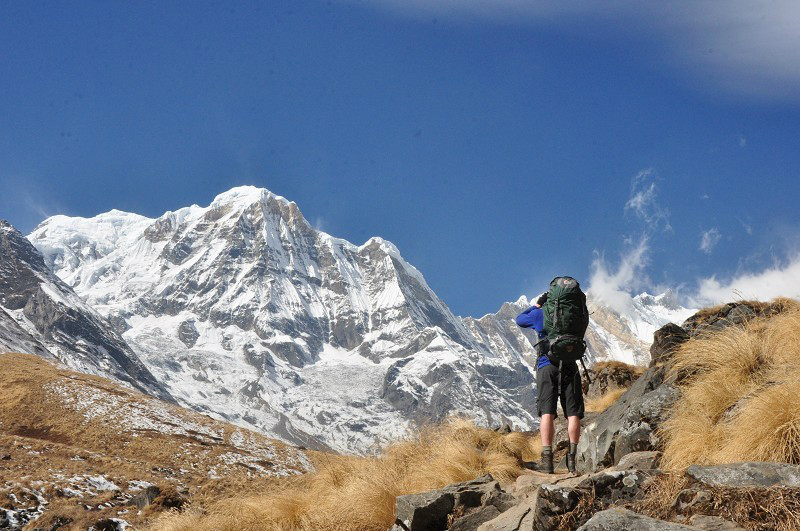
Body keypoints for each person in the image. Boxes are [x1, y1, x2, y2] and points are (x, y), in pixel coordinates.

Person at [516, 292, 584, 474]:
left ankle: (547, 462)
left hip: (547, 364)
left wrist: (537, 306)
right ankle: (572, 462)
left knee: (547, 411)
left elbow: (520, 320)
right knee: (573, 413)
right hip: (571, 365)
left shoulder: (541, 313)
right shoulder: (575, 313)